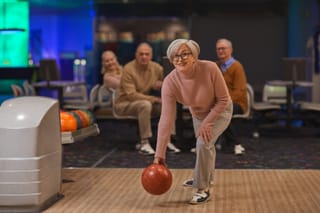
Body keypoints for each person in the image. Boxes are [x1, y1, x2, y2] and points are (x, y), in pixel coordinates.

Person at [153, 39, 232, 204]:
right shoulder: (170, 82)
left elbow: (223, 99)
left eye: (184, 54)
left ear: (194, 56)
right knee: (206, 145)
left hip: (220, 111)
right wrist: (159, 154)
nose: (179, 59)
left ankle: (202, 188)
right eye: (175, 56)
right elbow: (166, 119)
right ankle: (203, 178)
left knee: (203, 144)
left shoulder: (210, 68)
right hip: (198, 114)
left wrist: (209, 122)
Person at [114, 42, 180, 155]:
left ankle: (167, 141)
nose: (144, 57)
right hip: (125, 104)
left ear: (151, 55)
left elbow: (170, 82)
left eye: (146, 54)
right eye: (141, 54)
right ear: (136, 55)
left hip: (146, 104)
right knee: (145, 104)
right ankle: (144, 142)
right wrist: (154, 99)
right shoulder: (128, 69)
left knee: (168, 104)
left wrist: (163, 84)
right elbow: (131, 95)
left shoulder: (156, 68)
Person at [215, 38, 247, 155]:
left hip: (237, 103)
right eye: (218, 49)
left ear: (230, 50)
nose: (220, 51)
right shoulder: (216, 66)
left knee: (221, 112)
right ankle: (200, 143)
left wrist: (224, 102)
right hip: (221, 103)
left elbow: (239, 91)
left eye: (223, 48)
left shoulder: (237, 66)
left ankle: (236, 142)